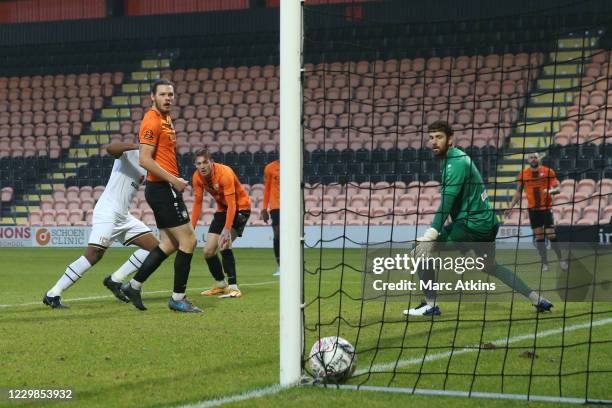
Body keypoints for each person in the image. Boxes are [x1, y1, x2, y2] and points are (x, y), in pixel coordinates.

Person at [403, 121, 553, 316]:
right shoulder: (454, 159)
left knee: (418, 249)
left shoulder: (455, 162)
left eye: (439, 137)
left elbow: (447, 202)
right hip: (487, 224)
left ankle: (430, 305)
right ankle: (537, 299)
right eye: (431, 138)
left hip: (471, 226)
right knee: (490, 266)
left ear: (451, 139)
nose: (434, 142)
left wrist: (432, 232)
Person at [43, 142, 158, 309]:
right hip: (108, 211)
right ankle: (53, 294)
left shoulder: (148, 164)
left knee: (155, 249)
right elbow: (111, 149)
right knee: (93, 255)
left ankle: (115, 279)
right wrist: (138, 146)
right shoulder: (131, 153)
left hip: (124, 216)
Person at [120, 78, 201, 313]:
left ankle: (133, 286)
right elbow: (145, 159)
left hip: (164, 188)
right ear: (152, 97)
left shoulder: (166, 119)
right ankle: (178, 298)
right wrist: (174, 180)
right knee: (189, 241)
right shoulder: (151, 120)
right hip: (163, 188)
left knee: (169, 243)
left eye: (171, 95)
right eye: (163, 94)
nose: (168, 98)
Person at [190, 148, 251, 298]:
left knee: (224, 244)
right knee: (208, 251)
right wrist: (191, 228)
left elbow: (232, 205)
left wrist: (227, 229)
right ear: (195, 165)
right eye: (199, 163)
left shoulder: (225, 174)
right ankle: (221, 285)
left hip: (240, 208)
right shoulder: (197, 177)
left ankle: (234, 287)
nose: (202, 166)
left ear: (212, 162)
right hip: (222, 210)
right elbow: (197, 204)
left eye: (205, 162)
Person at [505, 152, 567, 271]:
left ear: (539, 159)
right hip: (533, 210)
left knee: (551, 235)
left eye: (535, 157)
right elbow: (518, 192)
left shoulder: (548, 171)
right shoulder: (523, 174)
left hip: (546, 209)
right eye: (531, 157)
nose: (533, 159)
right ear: (528, 160)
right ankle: (545, 263)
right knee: (539, 237)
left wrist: (550, 191)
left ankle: (560, 259)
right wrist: (511, 206)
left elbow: (558, 188)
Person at [262, 159, 280, 276]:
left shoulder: (294, 164)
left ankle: (294, 264)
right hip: (276, 206)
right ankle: (280, 266)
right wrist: (264, 208)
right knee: (278, 234)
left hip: (291, 206)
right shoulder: (269, 167)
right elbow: (267, 188)